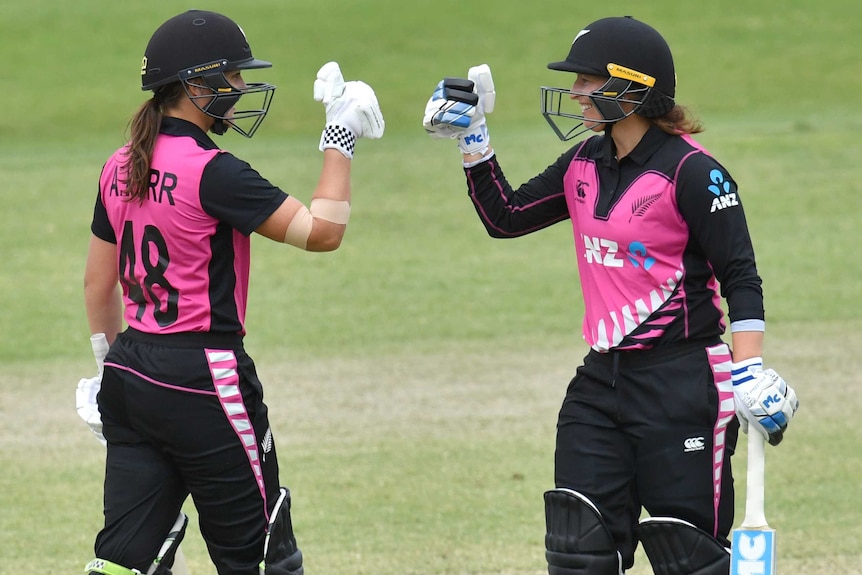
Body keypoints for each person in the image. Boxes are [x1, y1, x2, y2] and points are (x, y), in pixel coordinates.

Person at [423, 16, 798, 575]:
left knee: (688, 558)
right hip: (602, 384)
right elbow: (505, 218)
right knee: (579, 550)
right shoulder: (583, 162)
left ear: (631, 88)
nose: (574, 93)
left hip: (685, 383)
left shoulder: (695, 174)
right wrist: (473, 140)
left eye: (586, 80)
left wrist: (750, 371)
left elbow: (741, 276)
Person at [78, 9, 383, 575]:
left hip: (129, 375)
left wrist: (106, 369)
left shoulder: (116, 166)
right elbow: (323, 233)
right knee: (262, 558)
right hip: (204, 378)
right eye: (234, 77)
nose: (242, 88)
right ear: (197, 86)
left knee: (123, 560)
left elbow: (99, 285)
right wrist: (340, 139)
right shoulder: (214, 170)